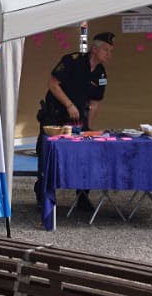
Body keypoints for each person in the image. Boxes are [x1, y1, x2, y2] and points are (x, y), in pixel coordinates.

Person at [35, 31, 115, 216]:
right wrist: (69, 105)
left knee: (84, 156)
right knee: (47, 155)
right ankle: (44, 196)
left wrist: (87, 126)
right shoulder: (72, 60)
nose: (109, 54)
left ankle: (82, 196)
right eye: (106, 50)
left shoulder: (101, 73)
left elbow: (94, 103)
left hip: (77, 121)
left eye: (111, 51)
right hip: (54, 117)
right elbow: (53, 84)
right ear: (94, 49)